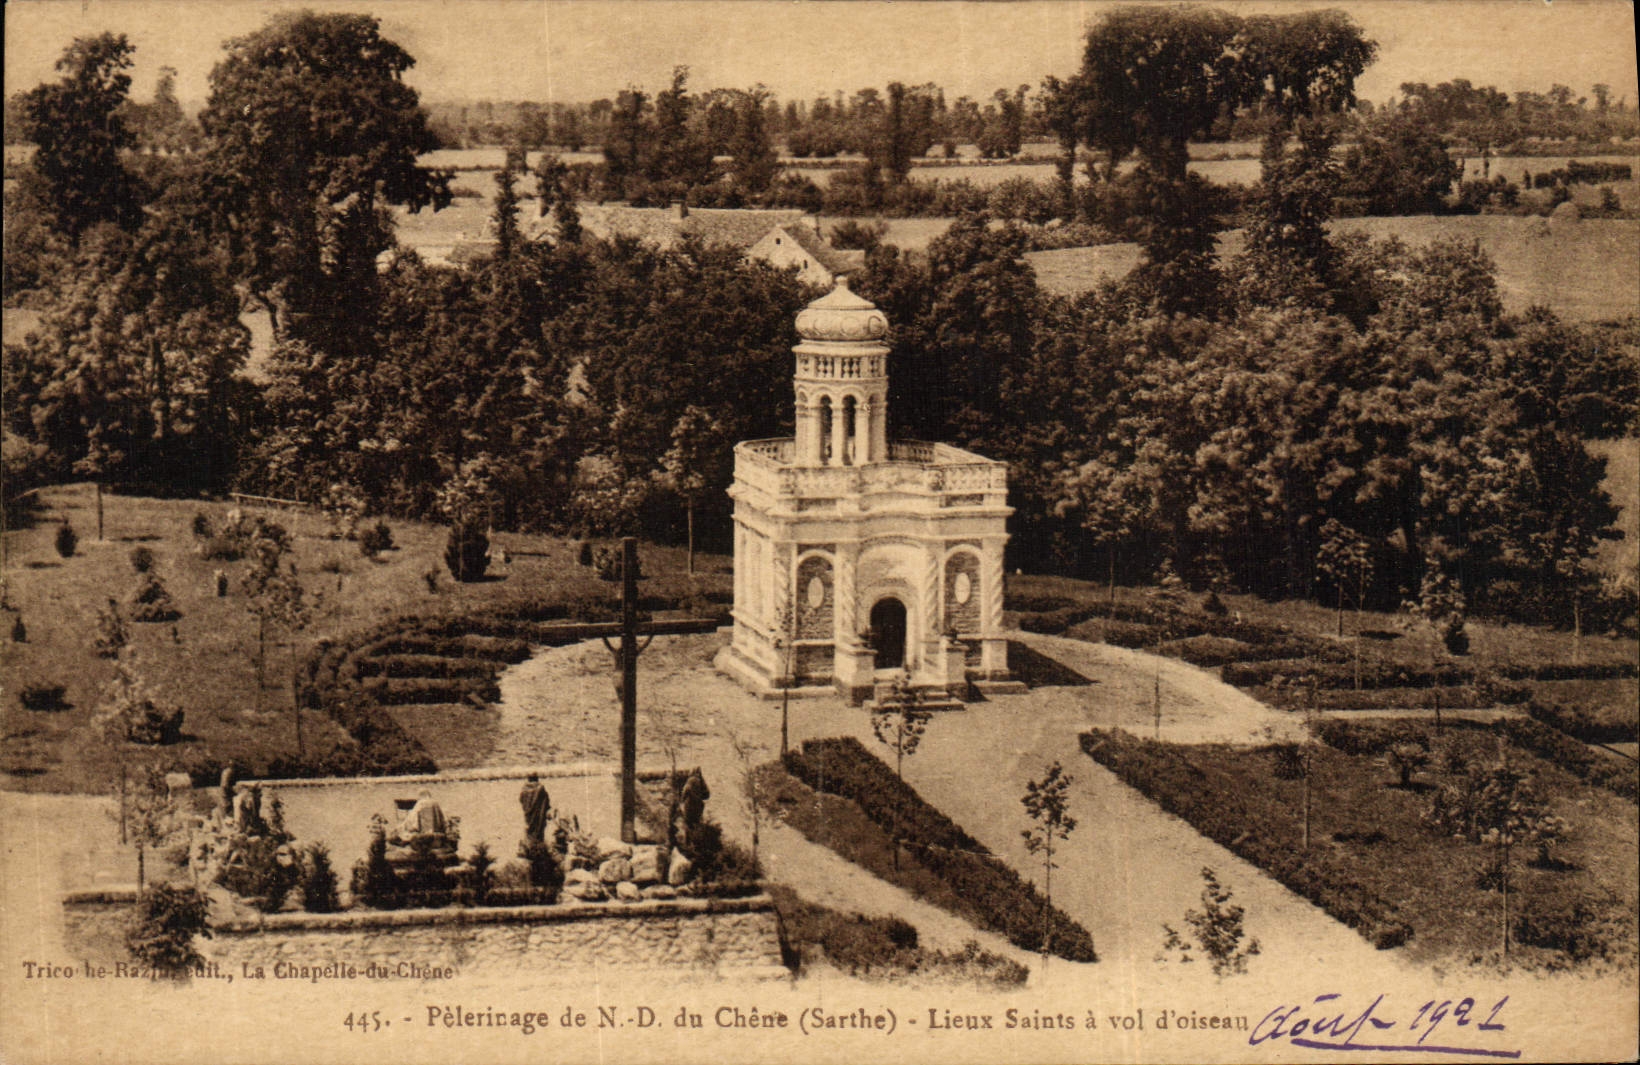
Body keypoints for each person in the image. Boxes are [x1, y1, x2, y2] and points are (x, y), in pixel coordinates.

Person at [519, 774, 551, 844]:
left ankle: (529, 847)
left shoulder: (524, 789)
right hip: (538, 815)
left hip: (528, 815)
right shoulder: (540, 788)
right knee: (538, 832)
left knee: (529, 830)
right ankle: (538, 847)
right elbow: (546, 801)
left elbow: (521, 800)